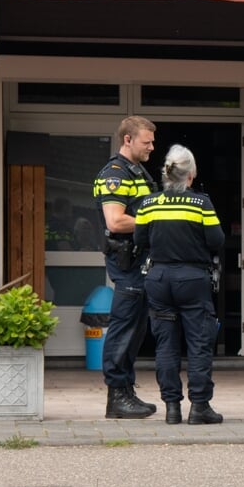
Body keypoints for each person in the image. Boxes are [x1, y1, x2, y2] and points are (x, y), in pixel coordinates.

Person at [135, 144, 225, 425]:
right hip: (192, 279)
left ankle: (171, 408)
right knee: (199, 343)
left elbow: (139, 241)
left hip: (159, 279)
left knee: (165, 345)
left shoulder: (148, 204)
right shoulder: (201, 203)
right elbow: (217, 241)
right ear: (191, 174)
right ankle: (200, 407)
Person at [93, 115, 158, 419]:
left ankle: (126, 392)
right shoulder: (115, 174)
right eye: (147, 142)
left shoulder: (137, 172)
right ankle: (117, 395)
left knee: (135, 329)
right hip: (128, 263)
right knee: (124, 327)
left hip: (140, 262)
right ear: (128, 140)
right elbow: (115, 220)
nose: (152, 147)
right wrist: (158, 220)